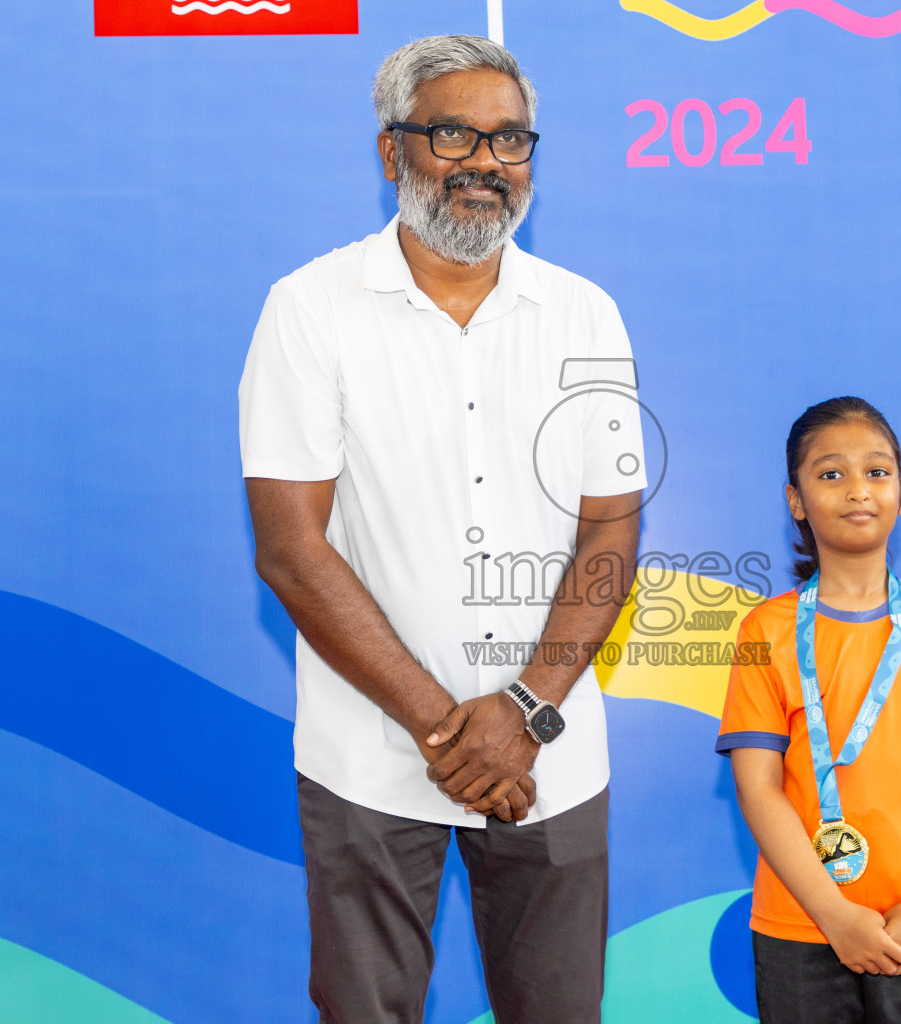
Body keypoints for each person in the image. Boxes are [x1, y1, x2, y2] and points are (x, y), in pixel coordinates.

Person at [238, 35, 646, 1024]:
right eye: (454, 134)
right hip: (369, 758)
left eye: (511, 142)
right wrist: (445, 728)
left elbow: (611, 533)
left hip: (550, 757)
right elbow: (293, 549)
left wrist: (526, 714)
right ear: (392, 153)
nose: (486, 165)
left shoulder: (586, 315)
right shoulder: (308, 309)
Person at [717, 397, 901, 1024]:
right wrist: (834, 913)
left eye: (877, 472)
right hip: (802, 924)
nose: (858, 490)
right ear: (795, 500)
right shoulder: (766, 630)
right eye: (830, 474)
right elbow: (758, 787)